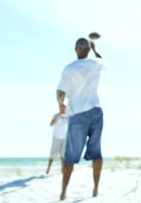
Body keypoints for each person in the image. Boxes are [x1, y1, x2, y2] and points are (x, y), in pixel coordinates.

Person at [56, 38, 105, 201]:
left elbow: (61, 91)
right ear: (88, 49)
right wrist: (95, 49)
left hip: (78, 114)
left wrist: (60, 104)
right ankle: (96, 190)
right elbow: (102, 60)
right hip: (96, 111)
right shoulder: (95, 64)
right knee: (96, 153)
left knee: (70, 156)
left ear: (76, 49)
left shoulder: (70, 69)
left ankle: (63, 193)